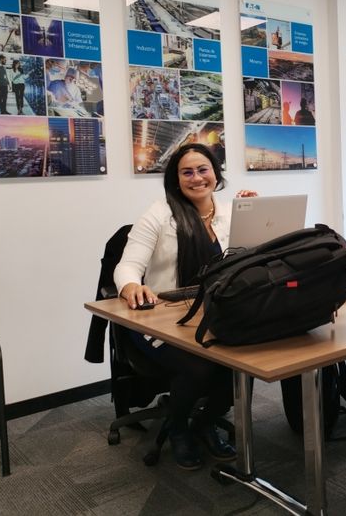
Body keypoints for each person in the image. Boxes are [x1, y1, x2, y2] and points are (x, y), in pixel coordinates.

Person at [113, 143, 256, 471]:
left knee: (244, 361)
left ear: (215, 173)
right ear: (176, 179)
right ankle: (179, 429)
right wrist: (132, 286)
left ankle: (204, 423)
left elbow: (252, 261)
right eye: (187, 172)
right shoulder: (158, 214)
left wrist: (255, 215)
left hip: (213, 313)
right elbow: (127, 266)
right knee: (199, 366)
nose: (196, 178)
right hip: (159, 319)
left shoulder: (229, 213)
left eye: (203, 169)